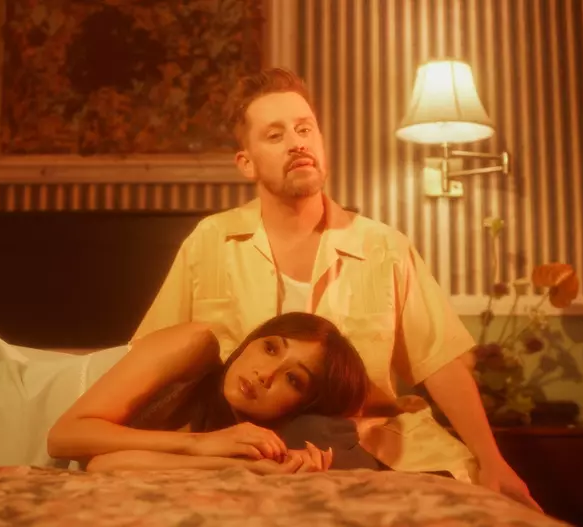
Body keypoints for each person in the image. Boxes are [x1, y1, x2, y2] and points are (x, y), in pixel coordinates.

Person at [131, 68, 540, 510]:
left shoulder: (385, 247)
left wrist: (492, 460)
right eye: (275, 135)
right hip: (249, 449)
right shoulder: (211, 242)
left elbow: (439, 361)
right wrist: (157, 445)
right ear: (246, 163)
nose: (297, 143)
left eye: (305, 129)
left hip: (369, 444)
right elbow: (150, 362)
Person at [0, 313, 369, 475]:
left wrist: (257, 468)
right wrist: (203, 444)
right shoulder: (195, 345)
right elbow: (64, 438)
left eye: (294, 379)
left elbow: (107, 466)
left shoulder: (225, 441)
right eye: (271, 347)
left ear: (301, 410)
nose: (266, 373)